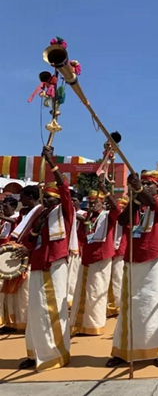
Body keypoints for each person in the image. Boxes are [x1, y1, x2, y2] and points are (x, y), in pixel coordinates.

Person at [17, 146, 77, 371]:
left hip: (55, 265)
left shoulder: (65, 212)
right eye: (47, 200)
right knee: (35, 311)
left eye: (53, 200)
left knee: (51, 310)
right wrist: (35, 229)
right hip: (36, 265)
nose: (50, 203)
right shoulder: (39, 215)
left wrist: (51, 163)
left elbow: (65, 189)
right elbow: (30, 242)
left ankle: (54, 353)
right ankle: (34, 353)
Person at [107, 170, 158, 368]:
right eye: (143, 184)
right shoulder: (137, 203)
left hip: (152, 260)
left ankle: (157, 350)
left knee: (151, 305)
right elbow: (122, 221)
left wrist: (137, 189)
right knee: (129, 305)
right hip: (131, 259)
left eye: (149, 184)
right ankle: (124, 350)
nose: (145, 187)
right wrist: (134, 201)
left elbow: (153, 203)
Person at [70, 183, 120, 336]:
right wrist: (88, 217)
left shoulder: (107, 215)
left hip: (101, 256)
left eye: (95, 202)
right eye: (90, 202)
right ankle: (81, 323)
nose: (92, 205)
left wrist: (105, 191)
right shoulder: (87, 216)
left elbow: (117, 209)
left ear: (102, 203)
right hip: (87, 256)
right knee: (83, 290)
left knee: (96, 290)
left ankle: (94, 325)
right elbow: (84, 235)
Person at [1, 186, 43, 333]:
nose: (20, 201)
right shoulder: (24, 212)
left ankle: (25, 322)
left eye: (22, 197)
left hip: (29, 257)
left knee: (25, 292)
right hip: (17, 253)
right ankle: (13, 323)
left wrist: (29, 250)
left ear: (30, 197)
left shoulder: (41, 212)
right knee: (13, 293)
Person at [0, 196, 21, 330]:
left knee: (7, 293)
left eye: (5, 206)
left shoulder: (17, 218)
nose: (3, 208)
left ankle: (10, 321)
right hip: (1, 257)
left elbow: (15, 222)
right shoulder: (3, 221)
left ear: (13, 207)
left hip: (9, 260)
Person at [107, 196, 129, 317]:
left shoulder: (126, 218)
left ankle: (118, 304)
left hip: (120, 249)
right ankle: (111, 304)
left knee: (118, 277)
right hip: (109, 250)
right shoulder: (110, 216)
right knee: (110, 278)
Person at [67, 191, 86, 308]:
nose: (72, 202)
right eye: (70, 200)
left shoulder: (83, 213)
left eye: (74, 200)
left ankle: (72, 299)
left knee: (73, 275)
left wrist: (71, 211)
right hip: (66, 247)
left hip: (77, 247)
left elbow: (84, 220)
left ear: (80, 202)